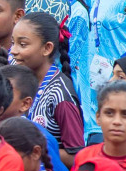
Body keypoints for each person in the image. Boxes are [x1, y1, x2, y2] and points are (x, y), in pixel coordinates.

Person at [6, 12, 81, 162]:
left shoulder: (60, 94)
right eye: (13, 43)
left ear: (47, 48)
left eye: (23, 44)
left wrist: (30, 152)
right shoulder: (20, 82)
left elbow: (75, 155)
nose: (13, 51)